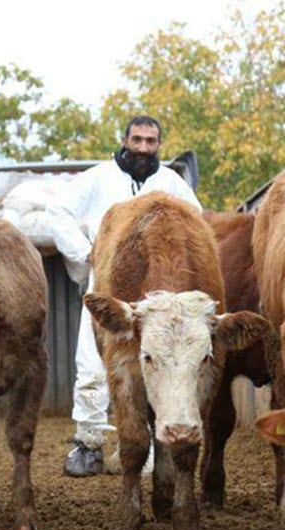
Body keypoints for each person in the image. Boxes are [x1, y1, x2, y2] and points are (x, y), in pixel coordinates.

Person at [47, 116, 203, 477]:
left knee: (157, 364)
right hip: (108, 284)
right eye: (138, 140)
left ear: (159, 144)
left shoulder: (171, 183)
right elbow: (58, 212)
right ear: (124, 139)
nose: (144, 148)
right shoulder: (98, 179)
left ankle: (144, 447)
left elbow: (197, 222)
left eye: (151, 141)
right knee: (92, 360)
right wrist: (86, 252)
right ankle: (88, 443)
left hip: (163, 295)